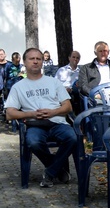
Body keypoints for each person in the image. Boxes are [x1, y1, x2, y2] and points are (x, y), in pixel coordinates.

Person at [5, 48, 77, 187]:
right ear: (24, 62)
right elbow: (10, 113)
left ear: (42, 62)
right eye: (31, 59)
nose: (35, 61)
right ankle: (58, 169)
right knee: (33, 141)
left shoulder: (54, 82)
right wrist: (31, 114)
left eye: (38, 59)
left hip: (57, 122)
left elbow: (68, 107)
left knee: (72, 138)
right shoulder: (18, 87)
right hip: (35, 124)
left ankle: (50, 172)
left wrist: (53, 112)